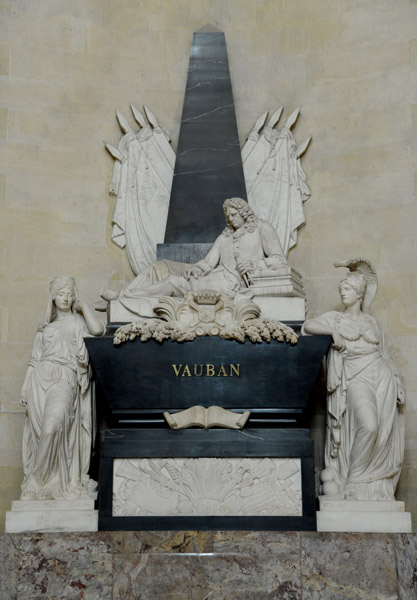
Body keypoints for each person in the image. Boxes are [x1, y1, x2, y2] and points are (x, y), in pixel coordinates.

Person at [302, 258, 405, 501]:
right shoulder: (335, 319)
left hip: (382, 375)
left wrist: (398, 382)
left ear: (360, 294)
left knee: (382, 432)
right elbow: (308, 326)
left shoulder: (372, 322)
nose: (343, 294)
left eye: (347, 290)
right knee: (368, 425)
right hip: (355, 375)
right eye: (341, 290)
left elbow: (385, 354)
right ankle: (354, 482)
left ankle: (373, 487)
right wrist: (332, 332)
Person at [101, 197, 288, 303]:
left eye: (234, 215)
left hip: (231, 285)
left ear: (244, 212)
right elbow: (208, 262)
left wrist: (256, 265)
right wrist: (197, 269)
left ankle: (124, 297)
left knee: (174, 282)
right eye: (228, 216)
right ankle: (126, 297)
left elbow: (279, 260)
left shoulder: (262, 228)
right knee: (168, 275)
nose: (230, 219)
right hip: (214, 278)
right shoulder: (225, 237)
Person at [20, 276, 105, 500]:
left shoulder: (78, 323)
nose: (65, 297)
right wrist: (24, 387)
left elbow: (97, 331)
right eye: (61, 293)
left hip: (65, 378)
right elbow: (33, 360)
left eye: (69, 293)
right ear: (53, 298)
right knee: (41, 434)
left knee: (52, 426)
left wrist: (83, 306)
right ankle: (39, 486)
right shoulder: (45, 329)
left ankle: (38, 480)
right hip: (39, 382)